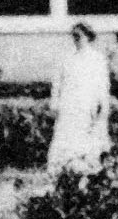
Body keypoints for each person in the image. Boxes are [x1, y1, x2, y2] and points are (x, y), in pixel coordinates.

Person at [46, 21, 113, 172]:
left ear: (88, 37)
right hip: (69, 105)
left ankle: (88, 169)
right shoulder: (67, 58)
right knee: (66, 136)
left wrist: (103, 106)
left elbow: (103, 85)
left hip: (87, 105)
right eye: (74, 36)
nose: (76, 39)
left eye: (79, 36)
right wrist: (54, 102)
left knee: (88, 138)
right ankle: (64, 169)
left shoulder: (97, 59)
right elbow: (57, 83)